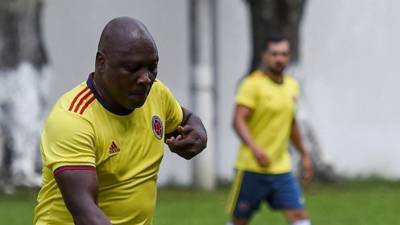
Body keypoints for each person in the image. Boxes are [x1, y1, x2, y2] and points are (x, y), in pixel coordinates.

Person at [34, 17, 207, 225]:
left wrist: (198, 134)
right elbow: (85, 213)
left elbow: (186, 119)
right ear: (101, 63)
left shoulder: (156, 94)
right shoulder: (73, 119)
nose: (146, 79)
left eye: (152, 67)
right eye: (132, 68)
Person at [226, 34, 313, 225]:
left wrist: (304, 154)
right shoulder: (252, 84)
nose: (279, 58)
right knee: (240, 221)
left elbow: (291, 123)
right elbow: (238, 121)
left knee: (299, 216)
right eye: (274, 54)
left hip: (281, 167)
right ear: (264, 55)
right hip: (252, 167)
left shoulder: (292, 85)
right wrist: (256, 149)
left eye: (284, 54)